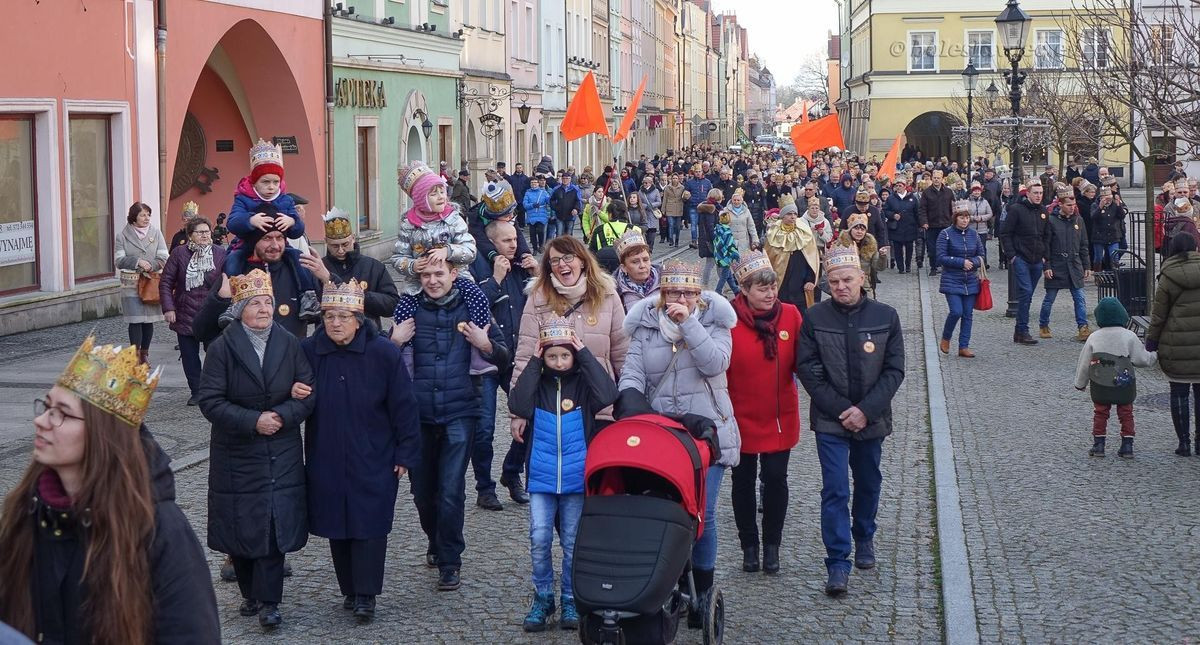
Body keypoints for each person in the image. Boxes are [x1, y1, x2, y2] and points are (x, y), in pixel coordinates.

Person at [0, 337, 220, 643]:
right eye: (46, 407)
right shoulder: (26, 511)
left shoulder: (159, 529)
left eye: (61, 413)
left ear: (102, 434)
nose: (41, 421)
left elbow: (191, 633)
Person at [618, 259, 739, 621]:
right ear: (662, 294)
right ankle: (673, 583)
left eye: (687, 292)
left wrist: (689, 324)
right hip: (664, 435)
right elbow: (632, 374)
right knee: (667, 512)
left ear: (699, 295)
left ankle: (702, 591)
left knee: (704, 514)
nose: (680, 298)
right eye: (673, 292)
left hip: (707, 433)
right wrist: (631, 405)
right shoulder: (646, 327)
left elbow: (715, 364)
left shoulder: (716, 321)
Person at [197, 268, 316, 628]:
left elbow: (308, 391)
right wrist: (253, 421)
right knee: (243, 526)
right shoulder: (222, 348)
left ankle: (269, 602)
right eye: (255, 303)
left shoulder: (289, 342)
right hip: (237, 453)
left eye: (268, 302)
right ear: (239, 309)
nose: (264, 309)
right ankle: (250, 593)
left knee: (273, 527)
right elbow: (210, 401)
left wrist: (281, 415)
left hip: (281, 449)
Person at [298, 280, 420, 622]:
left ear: (358, 319)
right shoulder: (309, 351)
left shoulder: (383, 352)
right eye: (329, 316)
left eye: (343, 316)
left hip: (374, 452)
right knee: (336, 521)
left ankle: (367, 594)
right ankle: (349, 590)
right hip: (326, 451)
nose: (336, 323)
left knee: (369, 523)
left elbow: (404, 406)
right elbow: (296, 389)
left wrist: (405, 453)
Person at [391, 261, 509, 592]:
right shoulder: (409, 311)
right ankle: (435, 538)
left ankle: (450, 561)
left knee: (451, 491)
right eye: (426, 275)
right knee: (422, 493)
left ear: (453, 275)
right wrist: (394, 341)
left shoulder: (474, 307)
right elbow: (383, 363)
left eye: (439, 274)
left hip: (461, 411)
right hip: (418, 415)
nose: (432, 280)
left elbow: (504, 356)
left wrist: (485, 344)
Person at [795, 244, 905, 597]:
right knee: (836, 489)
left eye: (847, 280)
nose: (841, 287)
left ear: (861, 277)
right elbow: (808, 370)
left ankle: (865, 536)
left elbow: (894, 370)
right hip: (831, 420)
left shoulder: (886, 316)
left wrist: (866, 411)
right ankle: (838, 562)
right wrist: (844, 409)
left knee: (869, 482)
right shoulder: (815, 318)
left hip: (872, 419)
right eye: (834, 282)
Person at [509, 319, 619, 632]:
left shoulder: (583, 383)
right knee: (539, 538)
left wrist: (584, 353)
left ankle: (570, 596)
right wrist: (533, 361)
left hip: (575, 476)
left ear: (573, 355)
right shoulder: (538, 382)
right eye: (552, 356)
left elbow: (608, 394)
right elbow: (517, 403)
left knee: (572, 542)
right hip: (542, 477)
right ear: (543, 356)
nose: (558, 362)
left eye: (564, 356)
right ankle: (543, 596)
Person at [726, 251, 803, 575]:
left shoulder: (791, 315)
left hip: (778, 414)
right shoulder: (727, 319)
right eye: (762, 288)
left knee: (775, 480)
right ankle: (749, 546)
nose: (770, 294)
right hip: (739, 415)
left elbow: (805, 362)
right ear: (744, 290)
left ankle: (772, 545)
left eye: (772, 287)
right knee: (742, 482)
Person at [510, 236, 629, 434]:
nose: (561, 264)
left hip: (599, 402)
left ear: (582, 261)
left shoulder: (607, 295)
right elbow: (525, 355)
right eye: (555, 260)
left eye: (568, 257)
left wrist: (627, 402)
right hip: (552, 406)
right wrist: (518, 412)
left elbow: (623, 354)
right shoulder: (538, 298)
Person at [469, 221, 537, 510]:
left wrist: (538, 275)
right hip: (485, 357)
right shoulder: (476, 266)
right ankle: (485, 487)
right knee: (484, 428)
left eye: (515, 239)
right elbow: (473, 307)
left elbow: (548, 303)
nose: (513, 244)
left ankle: (512, 472)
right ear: (492, 243)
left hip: (516, 357)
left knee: (530, 416)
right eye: (506, 240)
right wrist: (496, 279)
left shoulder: (523, 267)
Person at [1074, 298, 1157, 458]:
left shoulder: (1094, 337)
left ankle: (1099, 445)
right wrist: (1154, 355)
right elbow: (1141, 359)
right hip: (1124, 384)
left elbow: (1084, 363)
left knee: (1100, 412)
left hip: (1100, 384)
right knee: (1126, 412)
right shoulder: (1129, 336)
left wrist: (1080, 383)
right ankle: (1127, 445)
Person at [160, 215, 227, 405]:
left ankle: (213, 389)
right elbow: (166, 282)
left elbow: (229, 280)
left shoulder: (220, 253)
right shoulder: (179, 254)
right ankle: (196, 391)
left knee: (215, 353)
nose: (205, 235)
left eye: (207, 232)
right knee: (189, 356)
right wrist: (168, 308)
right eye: (200, 232)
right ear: (190, 235)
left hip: (212, 313)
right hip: (185, 312)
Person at [1146, 234, 1200, 456]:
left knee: (1179, 393)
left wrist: (1151, 342)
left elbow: (1159, 315)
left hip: (1176, 343)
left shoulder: (1168, 275)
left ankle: (1184, 443)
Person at [225, 139, 304, 276]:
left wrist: (292, 222)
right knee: (232, 261)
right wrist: (250, 220)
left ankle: (305, 287)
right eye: (265, 182)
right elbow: (232, 223)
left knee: (299, 259)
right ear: (254, 183)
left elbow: (298, 231)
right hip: (246, 245)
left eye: (276, 182)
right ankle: (230, 285)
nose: (271, 187)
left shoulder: (286, 200)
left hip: (279, 245)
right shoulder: (243, 199)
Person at [320, 208, 399, 331]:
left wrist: (362, 296)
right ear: (326, 242)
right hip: (330, 335)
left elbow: (393, 305)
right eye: (334, 246)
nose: (340, 250)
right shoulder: (320, 268)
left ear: (353, 238)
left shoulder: (374, 266)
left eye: (345, 244)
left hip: (368, 336)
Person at [117, 201, 169, 364]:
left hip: (150, 282)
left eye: (148, 215)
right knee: (135, 320)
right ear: (134, 217)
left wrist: (151, 265)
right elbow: (119, 260)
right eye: (142, 215)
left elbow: (163, 257)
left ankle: (144, 354)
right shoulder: (122, 236)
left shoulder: (156, 233)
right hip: (131, 283)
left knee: (148, 320)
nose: (146, 218)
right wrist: (138, 262)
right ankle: (135, 355)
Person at [1038, 191, 1093, 342]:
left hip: (1074, 264)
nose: (1072, 207)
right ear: (1061, 204)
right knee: (1049, 298)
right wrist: (1047, 266)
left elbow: (1084, 245)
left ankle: (1083, 327)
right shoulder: (1051, 220)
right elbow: (1046, 245)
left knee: (1080, 298)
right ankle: (1043, 325)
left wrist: (1087, 266)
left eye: (1074, 205)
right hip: (1057, 264)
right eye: (1069, 205)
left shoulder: (1079, 220)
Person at [1000, 183, 1049, 345]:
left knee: (1026, 296)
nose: (1039, 196)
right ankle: (1024, 329)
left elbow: (1047, 235)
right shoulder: (1016, 210)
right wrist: (1012, 255)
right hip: (1020, 257)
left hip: (1037, 259)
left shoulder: (1043, 211)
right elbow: (1005, 233)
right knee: (1026, 292)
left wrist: (1045, 256)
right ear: (1028, 193)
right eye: (1035, 193)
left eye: (1041, 193)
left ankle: (1019, 331)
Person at [935, 201, 985, 358]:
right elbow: (940, 257)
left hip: (970, 280)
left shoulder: (974, 235)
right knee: (956, 311)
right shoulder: (945, 234)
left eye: (967, 217)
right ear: (955, 218)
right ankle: (946, 337)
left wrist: (973, 262)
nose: (965, 220)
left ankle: (964, 346)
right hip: (952, 279)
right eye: (962, 217)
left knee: (968, 314)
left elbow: (981, 255)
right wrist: (960, 262)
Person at [765, 195, 821, 312]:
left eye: (795, 214)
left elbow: (811, 258)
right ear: (782, 215)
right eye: (789, 214)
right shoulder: (774, 233)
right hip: (780, 285)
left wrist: (810, 280)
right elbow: (768, 259)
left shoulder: (804, 232)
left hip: (800, 285)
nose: (793, 216)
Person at [834, 213, 888, 299]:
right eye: (856, 228)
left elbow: (879, 267)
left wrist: (882, 256)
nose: (859, 232)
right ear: (850, 229)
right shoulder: (840, 246)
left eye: (862, 229)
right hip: (845, 287)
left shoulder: (871, 245)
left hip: (865, 286)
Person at [613, 229, 661, 312]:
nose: (642, 266)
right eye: (635, 262)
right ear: (623, 267)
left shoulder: (665, 281)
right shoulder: (613, 291)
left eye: (645, 260)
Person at [918, 170, 955, 276]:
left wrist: (953, 221)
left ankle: (945, 266)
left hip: (946, 224)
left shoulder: (948, 192)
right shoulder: (926, 192)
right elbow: (922, 209)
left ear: (942, 179)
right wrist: (924, 222)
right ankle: (933, 267)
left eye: (938, 178)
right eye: (934, 178)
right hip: (932, 225)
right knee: (932, 248)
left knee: (946, 247)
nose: (936, 180)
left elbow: (953, 208)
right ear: (932, 178)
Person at [885, 178, 921, 274]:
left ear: (905, 187)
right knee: (897, 248)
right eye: (896, 186)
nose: (898, 187)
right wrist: (893, 215)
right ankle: (900, 267)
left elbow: (917, 212)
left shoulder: (912, 198)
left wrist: (919, 224)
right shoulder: (891, 198)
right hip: (896, 227)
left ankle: (908, 265)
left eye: (900, 186)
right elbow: (886, 210)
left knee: (909, 248)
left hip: (910, 227)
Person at [1090, 187, 1126, 271]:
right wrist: (1100, 207)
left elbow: (1122, 216)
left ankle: (1114, 274)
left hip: (1113, 236)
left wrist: (1118, 205)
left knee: (1114, 256)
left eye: (1109, 197)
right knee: (1098, 257)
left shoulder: (1114, 205)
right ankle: (1098, 274)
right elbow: (1093, 217)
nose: (1108, 200)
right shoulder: (1095, 205)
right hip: (1099, 236)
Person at [965, 181, 994, 268]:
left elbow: (990, 213)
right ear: (972, 191)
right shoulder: (967, 202)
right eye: (975, 190)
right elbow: (964, 214)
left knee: (982, 247)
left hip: (982, 229)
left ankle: (983, 263)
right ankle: (972, 263)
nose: (976, 192)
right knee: (971, 247)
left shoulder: (985, 202)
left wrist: (981, 218)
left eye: (978, 190)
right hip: (971, 228)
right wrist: (973, 218)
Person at [685, 164, 714, 248]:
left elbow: (710, 193)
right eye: (696, 172)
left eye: (699, 171)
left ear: (702, 172)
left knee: (703, 224)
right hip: (693, 206)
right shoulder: (689, 182)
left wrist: (708, 202)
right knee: (693, 224)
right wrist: (690, 199)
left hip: (704, 207)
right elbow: (686, 194)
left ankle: (703, 240)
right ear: (694, 172)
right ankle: (694, 240)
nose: (698, 173)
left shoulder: (707, 182)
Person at [549, 170, 583, 238]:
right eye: (564, 178)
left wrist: (576, 209)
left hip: (570, 215)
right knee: (559, 234)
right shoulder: (557, 189)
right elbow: (551, 200)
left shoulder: (575, 189)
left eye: (567, 178)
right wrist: (556, 208)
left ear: (570, 179)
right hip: (559, 215)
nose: (565, 180)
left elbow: (578, 201)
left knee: (569, 235)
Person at [523, 175, 552, 253]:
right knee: (532, 233)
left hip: (541, 215)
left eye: (535, 182)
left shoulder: (543, 192)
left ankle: (541, 245)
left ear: (538, 183)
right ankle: (535, 248)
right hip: (531, 215)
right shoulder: (527, 193)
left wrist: (551, 199)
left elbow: (549, 201)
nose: (534, 184)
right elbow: (525, 204)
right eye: (532, 182)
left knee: (541, 231)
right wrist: (532, 205)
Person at [662, 172, 689, 247]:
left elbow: (684, 198)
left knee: (677, 226)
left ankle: (677, 239)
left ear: (678, 179)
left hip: (678, 207)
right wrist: (663, 209)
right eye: (673, 178)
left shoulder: (682, 187)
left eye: (676, 178)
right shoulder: (667, 188)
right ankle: (671, 240)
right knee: (670, 225)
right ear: (671, 179)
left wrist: (686, 197)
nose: (675, 179)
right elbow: (665, 199)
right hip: (669, 207)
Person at [636, 177, 662, 251]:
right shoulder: (640, 191)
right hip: (644, 213)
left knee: (652, 233)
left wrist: (651, 205)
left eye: (646, 183)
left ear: (650, 183)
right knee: (645, 231)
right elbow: (639, 201)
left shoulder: (656, 191)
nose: (644, 184)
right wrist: (644, 206)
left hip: (652, 213)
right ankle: (647, 248)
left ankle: (650, 247)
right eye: (643, 182)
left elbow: (659, 202)